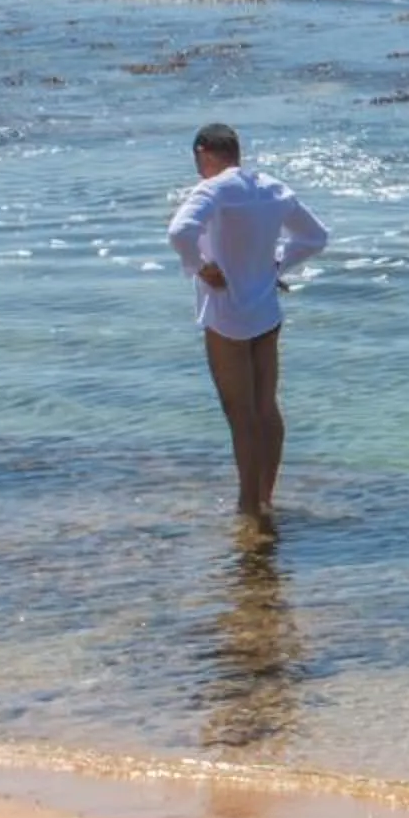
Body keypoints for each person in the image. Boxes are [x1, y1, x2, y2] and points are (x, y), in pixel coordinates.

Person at [166, 123, 329, 524]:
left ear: (204, 152)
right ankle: (265, 497)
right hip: (265, 311)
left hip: (226, 313)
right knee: (265, 408)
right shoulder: (272, 187)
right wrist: (279, 266)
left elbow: (179, 231)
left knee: (240, 414)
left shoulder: (213, 189)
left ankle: (247, 506)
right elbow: (315, 237)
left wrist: (200, 267)